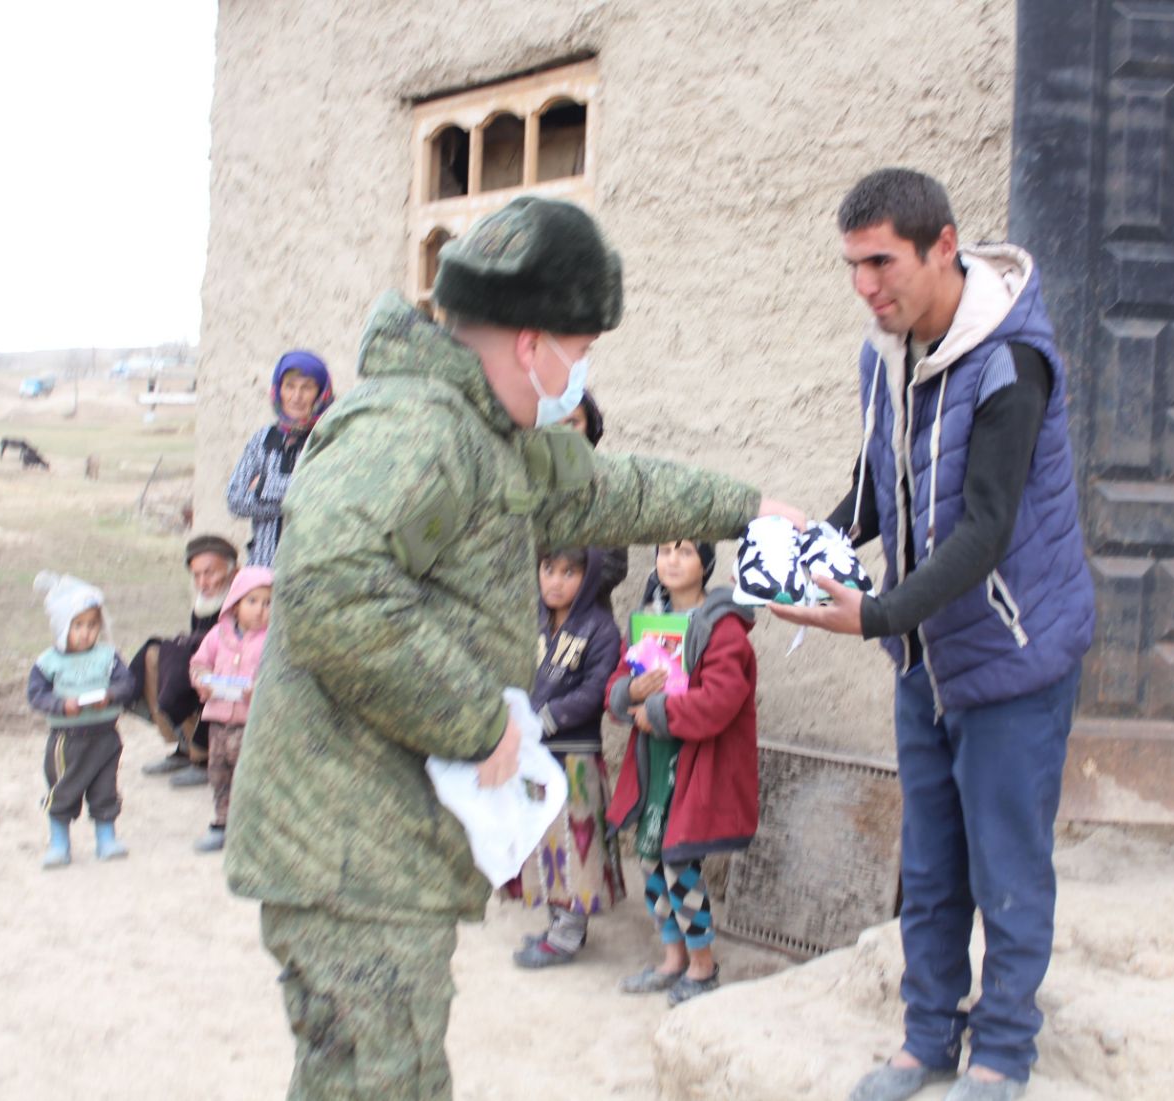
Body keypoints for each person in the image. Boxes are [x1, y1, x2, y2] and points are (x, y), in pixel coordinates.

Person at [223, 195, 804, 1101]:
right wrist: (469, 718)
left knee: (369, 1073)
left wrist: (747, 509)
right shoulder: (415, 429)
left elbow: (613, 489)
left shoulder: (489, 442)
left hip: (378, 843)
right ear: (532, 343)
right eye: (580, 352)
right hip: (347, 851)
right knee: (382, 1080)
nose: (579, 375)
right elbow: (333, 587)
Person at [772, 169, 1096, 1101]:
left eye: (883, 263)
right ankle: (927, 1038)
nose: (867, 286)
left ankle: (1001, 1051)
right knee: (930, 862)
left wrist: (873, 612)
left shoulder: (1010, 360)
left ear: (943, 247)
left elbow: (986, 525)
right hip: (927, 660)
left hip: (1012, 657)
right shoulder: (886, 356)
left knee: (1007, 865)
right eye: (852, 266)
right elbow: (882, 486)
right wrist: (811, 544)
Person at [604, 538, 758, 1008]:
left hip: (695, 763)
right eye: (664, 550)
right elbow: (616, 685)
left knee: (679, 862)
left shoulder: (723, 629)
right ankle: (672, 959)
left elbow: (720, 699)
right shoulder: (649, 621)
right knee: (649, 857)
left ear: (706, 564)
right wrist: (631, 691)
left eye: (686, 551)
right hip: (653, 758)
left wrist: (660, 711)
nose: (671, 559)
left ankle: (702, 966)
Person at [511, 545, 626, 968]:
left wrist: (545, 718)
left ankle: (567, 936)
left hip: (575, 758)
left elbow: (595, 691)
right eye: (548, 569)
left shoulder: (601, 630)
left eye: (568, 572)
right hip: (534, 757)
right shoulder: (533, 624)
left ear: (589, 577)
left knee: (578, 845)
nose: (555, 581)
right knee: (545, 843)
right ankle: (556, 924)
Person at [27, 571, 136, 869]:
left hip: (105, 737)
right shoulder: (48, 662)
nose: (86, 632)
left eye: (92, 625)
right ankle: (59, 843)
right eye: (78, 626)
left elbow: (128, 684)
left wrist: (110, 695)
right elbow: (36, 695)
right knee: (63, 788)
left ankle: (106, 838)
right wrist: (62, 705)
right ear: (63, 627)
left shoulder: (108, 656)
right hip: (68, 741)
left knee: (105, 788)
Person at [129, 534, 240, 786]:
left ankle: (205, 757)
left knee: (208, 671)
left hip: (234, 678)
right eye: (197, 575)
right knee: (154, 655)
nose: (203, 582)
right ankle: (185, 747)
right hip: (205, 665)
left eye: (210, 573)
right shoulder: (204, 604)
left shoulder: (242, 604)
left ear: (234, 572)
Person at [187, 565, 273, 854]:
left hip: (252, 723)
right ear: (235, 604)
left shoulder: (271, 641)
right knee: (219, 772)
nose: (261, 610)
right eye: (253, 601)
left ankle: (252, 829)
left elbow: (276, 676)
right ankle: (222, 823)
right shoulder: (217, 635)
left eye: (268, 602)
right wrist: (200, 680)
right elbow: (199, 663)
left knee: (250, 776)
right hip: (218, 721)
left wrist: (259, 688)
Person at [226, 350, 335, 567]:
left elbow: (328, 496)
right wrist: (299, 497)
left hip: (311, 569)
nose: (296, 397)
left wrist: (263, 486)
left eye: (307, 387)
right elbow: (235, 500)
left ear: (320, 393)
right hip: (262, 569)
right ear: (279, 390)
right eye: (290, 386)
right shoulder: (262, 440)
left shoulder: (329, 440)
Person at [561, 389, 628, 605]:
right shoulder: (521, 479)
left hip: (587, 622)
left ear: (590, 426)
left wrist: (560, 585)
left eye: (573, 422)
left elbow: (613, 565)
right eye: (555, 423)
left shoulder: (606, 484)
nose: (563, 433)